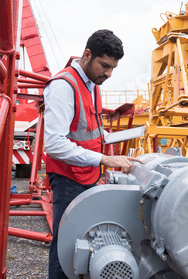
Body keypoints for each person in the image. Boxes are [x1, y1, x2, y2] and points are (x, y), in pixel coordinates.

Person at [43, 29, 141, 279]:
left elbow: (89, 128)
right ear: (87, 55)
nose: (108, 74)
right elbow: (54, 143)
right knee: (66, 244)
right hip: (68, 179)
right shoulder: (64, 86)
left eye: (113, 68)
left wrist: (115, 140)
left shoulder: (91, 83)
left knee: (83, 239)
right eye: (105, 65)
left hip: (86, 174)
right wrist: (103, 158)